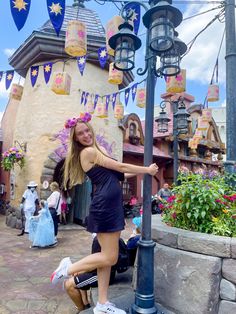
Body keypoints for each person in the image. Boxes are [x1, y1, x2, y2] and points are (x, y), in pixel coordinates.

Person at [50, 112, 158, 314]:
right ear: (76, 139)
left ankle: (102, 304)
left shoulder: (94, 152)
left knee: (105, 259)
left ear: (91, 130)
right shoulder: (88, 152)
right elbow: (121, 165)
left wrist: (141, 172)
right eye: (80, 134)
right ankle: (68, 268)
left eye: (86, 131)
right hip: (105, 208)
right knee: (110, 258)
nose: (85, 135)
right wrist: (148, 170)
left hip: (109, 206)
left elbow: (120, 174)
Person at [64, 236, 127, 313]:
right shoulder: (106, 237)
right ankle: (85, 303)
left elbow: (101, 263)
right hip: (101, 270)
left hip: (103, 275)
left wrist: (82, 270)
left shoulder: (104, 238)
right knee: (77, 274)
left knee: (68, 284)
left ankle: (82, 310)